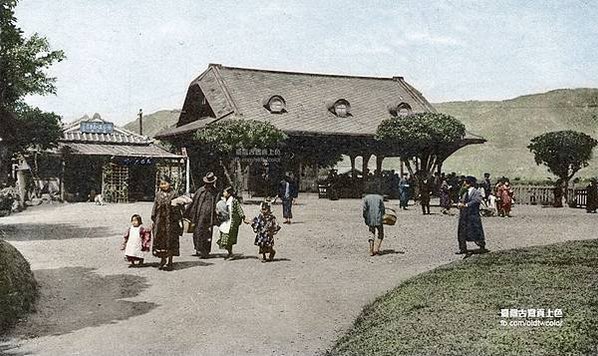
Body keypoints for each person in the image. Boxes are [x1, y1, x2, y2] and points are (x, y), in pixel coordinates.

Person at [151, 176, 184, 270]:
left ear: (169, 183)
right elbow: (155, 207)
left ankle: (170, 261)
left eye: (165, 183)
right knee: (161, 240)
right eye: (161, 184)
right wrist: (154, 219)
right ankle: (162, 260)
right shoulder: (158, 194)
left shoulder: (174, 194)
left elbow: (180, 207)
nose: (163, 185)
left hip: (171, 222)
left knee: (170, 240)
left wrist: (176, 209)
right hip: (160, 222)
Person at [185, 172, 219, 258]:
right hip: (199, 215)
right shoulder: (200, 191)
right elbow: (194, 203)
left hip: (209, 216)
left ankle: (205, 251)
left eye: (210, 183)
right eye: (208, 183)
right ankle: (198, 249)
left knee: (208, 233)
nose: (209, 185)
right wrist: (187, 213)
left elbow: (217, 204)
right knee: (198, 232)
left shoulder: (215, 192)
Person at [456, 176, 488, 255]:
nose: (464, 184)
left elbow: (477, 201)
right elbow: (460, 200)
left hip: (473, 215)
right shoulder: (463, 191)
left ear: (470, 183)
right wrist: (459, 204)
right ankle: (462, 248)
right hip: (463, 215)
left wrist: (466, 205)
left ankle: (481, 246)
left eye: (466, 182)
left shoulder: (476, 192)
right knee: (461, 232)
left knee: (476, 230)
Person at [216, 187, 248, 259]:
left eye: (225, 192)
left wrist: (243, 217)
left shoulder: (234, 201)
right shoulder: (224, 201)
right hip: (226, 221)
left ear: (229, 193)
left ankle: (230, 253)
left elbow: (239, 209)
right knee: (224, 236)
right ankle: (229, 252)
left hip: (232, 222)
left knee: (229, 238)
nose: (224, 193)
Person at [362, 184, 385, 256]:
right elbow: (383, 209)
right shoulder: (380, 198)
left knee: (371, 233)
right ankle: (377, 249)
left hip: (370, 218)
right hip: (379, 218)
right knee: (380, 233)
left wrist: (365, 218)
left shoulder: (366, 198)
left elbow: (364, 210)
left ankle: (371, 250)